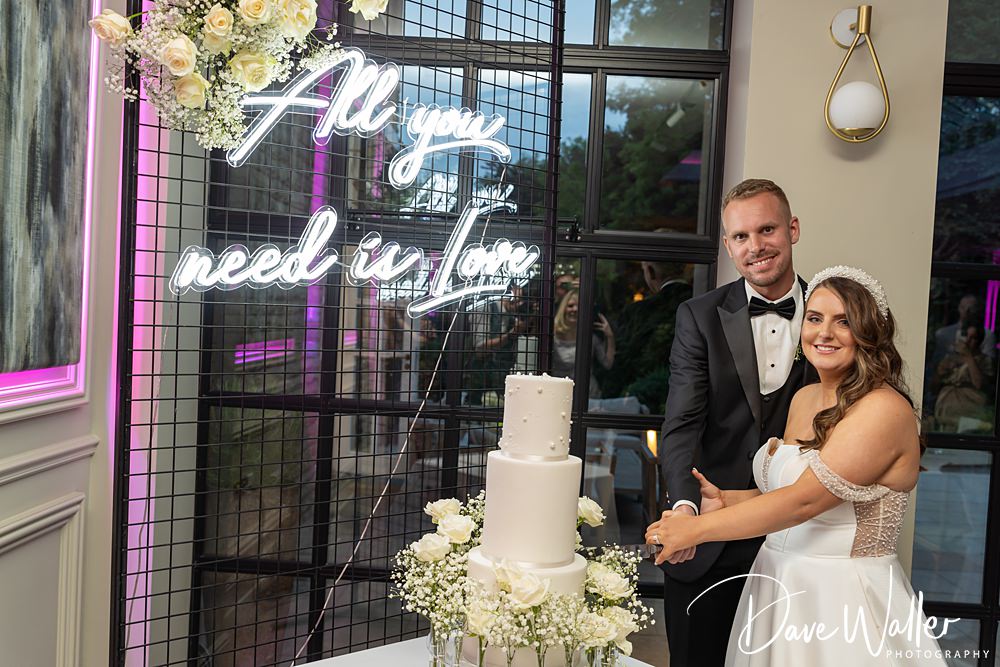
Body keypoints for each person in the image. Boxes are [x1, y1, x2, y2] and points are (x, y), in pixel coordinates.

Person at [646, 267, 948, 666]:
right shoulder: (805, 398)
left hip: (839, 597)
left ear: (870, 333)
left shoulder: (883, 409)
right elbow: (785, 491)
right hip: (776, 581)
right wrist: (726, 501)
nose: (824, 333)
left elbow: (804, 502)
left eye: (844, 322)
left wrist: (694, 530)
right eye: (815, 318)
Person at [658, 179, 816, 667]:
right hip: (710, 535)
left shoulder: (835, 316)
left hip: (803, 537)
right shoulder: (699, 316)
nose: (755, 247)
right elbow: (682, 422)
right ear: (728, 245)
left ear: (791, 229)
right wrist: (685, 507)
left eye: (766, 229)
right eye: (741, 237)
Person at [603, 261, 692, 413]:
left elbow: (624, 362)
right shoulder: (703, 302)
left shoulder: (638, 312)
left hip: (646, 403)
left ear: (650, 272)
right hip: (690, 400)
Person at [931, 322, 994, 432]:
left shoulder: (984, 361)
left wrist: (969, 357)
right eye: (966, 336)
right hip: (943, 417)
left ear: (980, 342)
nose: (968, 341)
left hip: (968, 419)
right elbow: (933, 388)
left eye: (973, 338)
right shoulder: (950, 358)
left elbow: (979, 384)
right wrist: (939, 372)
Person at [551, 288, 614, 397]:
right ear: (563, 309)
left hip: (588, 397)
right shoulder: (552, 336)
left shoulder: (590, 338)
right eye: (570, 305)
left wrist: (610, 336)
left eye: (579, 306)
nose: (575, 309)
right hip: (559, 394)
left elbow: (607, 364)